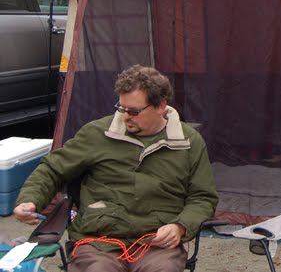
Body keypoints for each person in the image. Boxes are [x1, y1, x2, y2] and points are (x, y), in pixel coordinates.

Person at [13, 65, 219, 272]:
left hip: (156, 243)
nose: (125, 116)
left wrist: (180, 226)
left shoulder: (188, 142)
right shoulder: (97, 134)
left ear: (160, 106)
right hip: (97, 241)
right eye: (121, 108)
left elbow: (203, 197)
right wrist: (30, 199)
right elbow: (53, 169)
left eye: (134, 111)